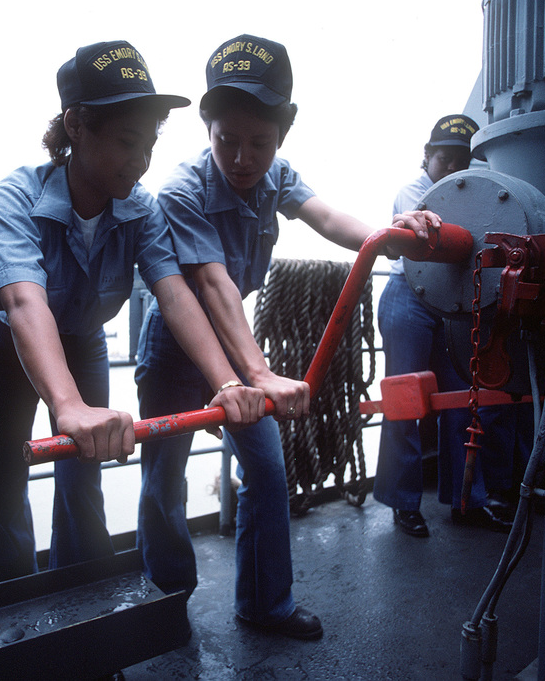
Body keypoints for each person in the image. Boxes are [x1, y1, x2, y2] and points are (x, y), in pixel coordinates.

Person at [134, 34, 441, 640]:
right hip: (176, 350)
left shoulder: (276, 175)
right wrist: (259, 372)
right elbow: (214, 284)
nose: (243, 158)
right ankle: (165, 607)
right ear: (207, 127)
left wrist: (392, 235)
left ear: (283, 135)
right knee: (163, 479)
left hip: (237, 348)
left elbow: (327, 218)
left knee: (268, 471)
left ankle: (263, 604)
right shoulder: (181, 190)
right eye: (228, 141)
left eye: (260, 143)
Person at [0, 41, 266, 584]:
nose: (141, 161)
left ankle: (83, 621)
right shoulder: (14, 198)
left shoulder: (142, 209)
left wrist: (225, 382)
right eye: (127, 142)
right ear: (77, 125)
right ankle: (13, 613)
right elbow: (21, 298)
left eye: (149, 145)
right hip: (6, 344)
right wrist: (67, 405)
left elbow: (174, 293)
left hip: (82, 340)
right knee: (4, 483)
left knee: (84, 483)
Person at [373, 114, 514, 537]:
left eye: (460, 160)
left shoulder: (466, 194)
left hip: (452, 305)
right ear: (427, 157)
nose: (452, 168)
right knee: (404, 399)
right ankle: (402, 503)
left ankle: (467, 499)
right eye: (443, 158)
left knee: (461, 401)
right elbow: (424, 245)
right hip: (408, 299)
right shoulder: (412, 194)